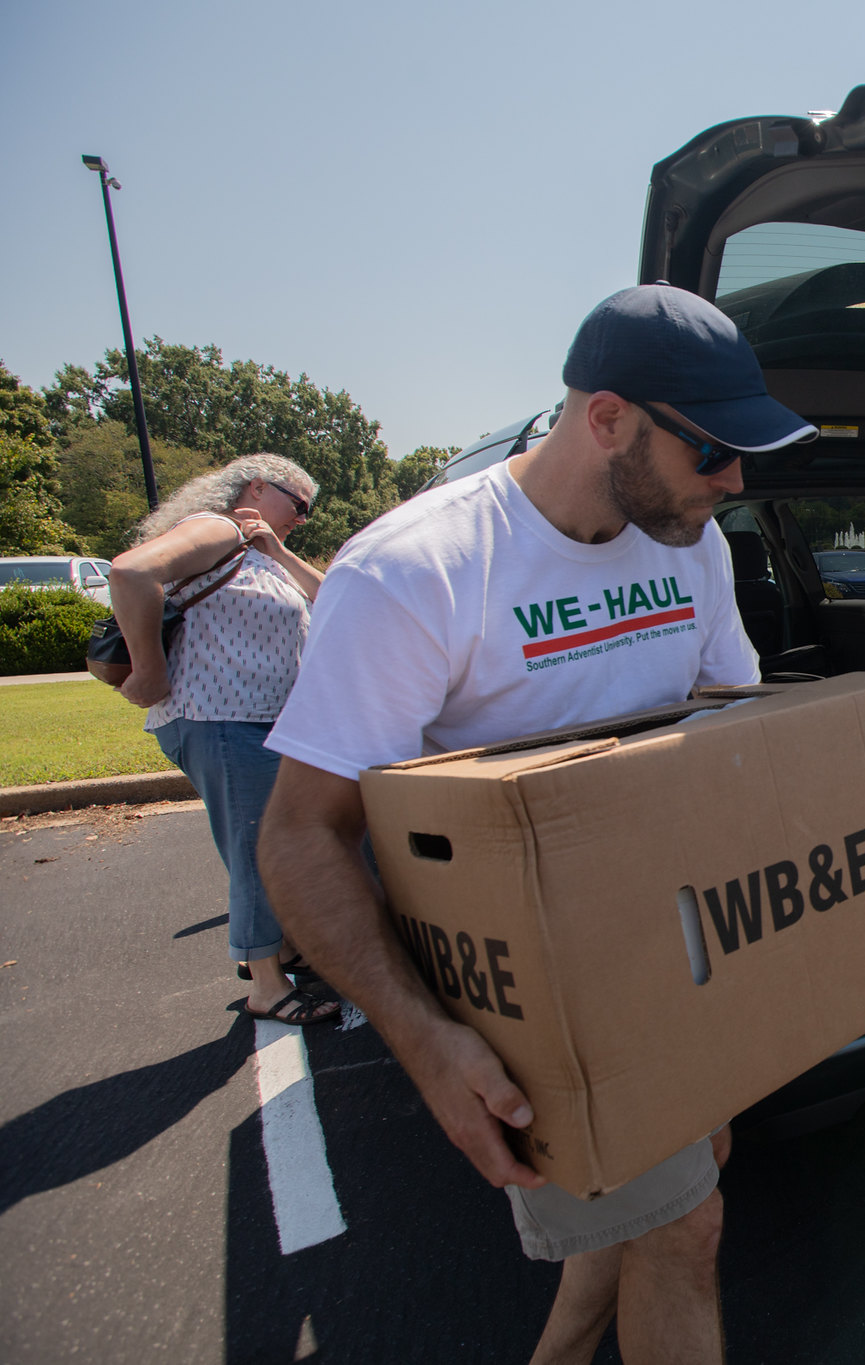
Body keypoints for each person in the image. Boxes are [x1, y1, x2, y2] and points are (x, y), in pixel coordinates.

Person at [257, 285, 816, 1365]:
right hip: (536, 984)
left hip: (679, 945)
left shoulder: (689, 544)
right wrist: (427, 1044)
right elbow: (298, 835)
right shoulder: (415, 572)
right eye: (712, 452)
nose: (734, 482)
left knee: (682, 1169)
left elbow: (730, 727)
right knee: (684, 1228)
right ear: (605, 418)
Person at [108, 453, 334, 1027]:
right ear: (257, 487)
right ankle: (265, 983)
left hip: (255, 719)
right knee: (257, 846)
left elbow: (335, 599)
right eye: (297, 504)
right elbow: (131, 574)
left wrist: (278, 552)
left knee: (269, 842)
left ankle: (276, 950)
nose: (302, 518)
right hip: (220, 715)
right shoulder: (217, 527)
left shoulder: (257, 549)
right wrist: (150, 670)